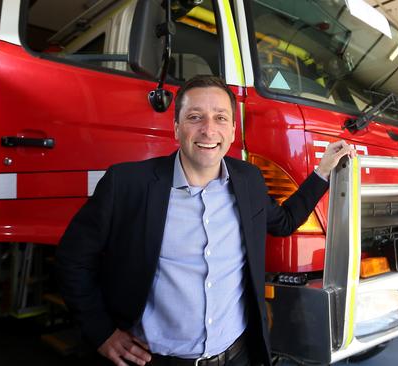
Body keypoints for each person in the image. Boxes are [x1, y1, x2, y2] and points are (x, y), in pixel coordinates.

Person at [56, 75, 355, 366]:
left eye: (221, 118)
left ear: (233, 130)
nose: (208, 130)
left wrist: (323, 171)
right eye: (195, 117)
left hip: (236, 354)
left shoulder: (248, 180)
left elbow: (285, 221)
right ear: (176, 128)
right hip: (154, 359)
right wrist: (101, 333)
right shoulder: (126, 184)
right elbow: (73, 258)